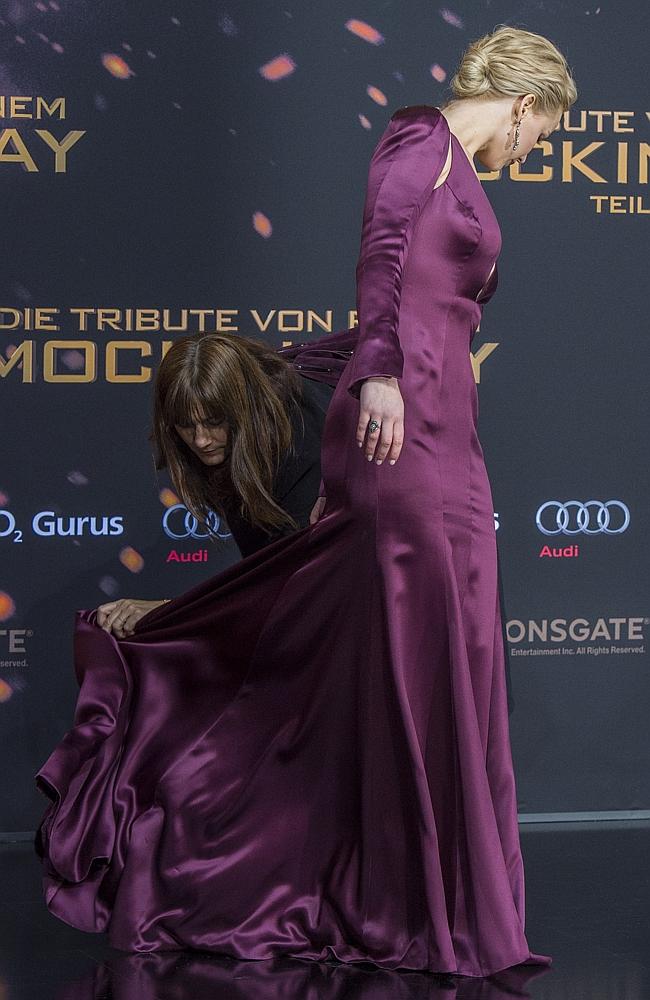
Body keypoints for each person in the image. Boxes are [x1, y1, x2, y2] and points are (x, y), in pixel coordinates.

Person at [34, 25, 577, 978]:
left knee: (456, 664)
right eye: (541, 135)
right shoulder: (422, 140)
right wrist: (374, 374)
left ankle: (441, 903)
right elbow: (384, 258)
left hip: (453, 448)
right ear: (527, 104)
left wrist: (337, 361)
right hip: (402, 443)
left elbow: (427, 305)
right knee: (416, 667)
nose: (532, 154)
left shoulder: (463, 171)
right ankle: (398, 904)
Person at [96, 328, 356, 639]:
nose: (201, 440)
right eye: (186, 425)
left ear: (240, 407)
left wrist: (168, 611)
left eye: (214, 422)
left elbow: (293, 595)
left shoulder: (299, 441)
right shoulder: (237, 434)